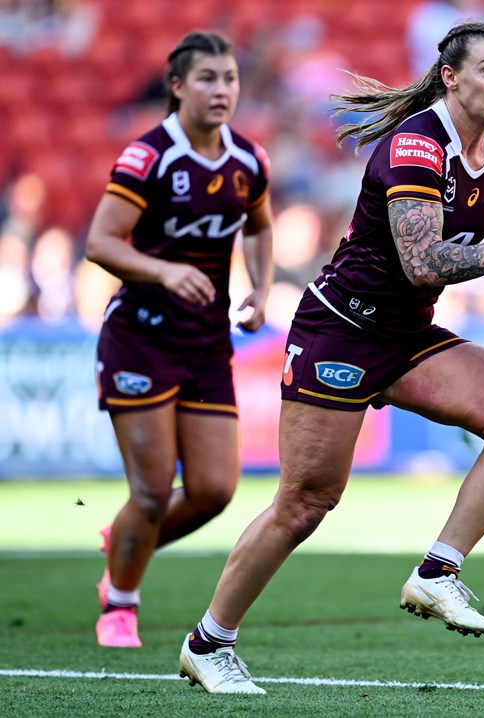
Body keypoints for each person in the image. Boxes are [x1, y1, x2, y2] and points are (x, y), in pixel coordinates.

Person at [178, 20, 484, 694]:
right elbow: (424, 260)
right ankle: (209, 642)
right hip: (340, 330)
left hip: (407, 335)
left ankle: (438, 572)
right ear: (451, 76)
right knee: (306, 503)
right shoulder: (416, 145)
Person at [85, 30, 274, 648]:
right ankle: (120, 603)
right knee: (149, 487)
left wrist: (261, 290)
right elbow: (101, 242)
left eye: (230, 80)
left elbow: (261, 226)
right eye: (207, 80)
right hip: (139, 338)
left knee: (216, 490)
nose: (222, 91)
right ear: (176, 87)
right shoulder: (150, 156)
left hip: (205, 341)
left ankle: (124, 542)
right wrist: (165, 269)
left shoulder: (249, 160)